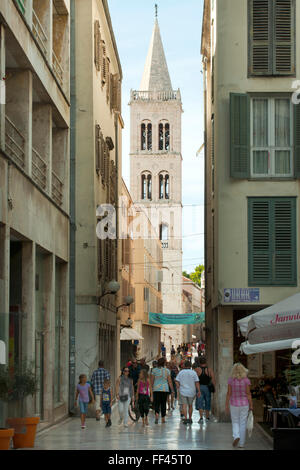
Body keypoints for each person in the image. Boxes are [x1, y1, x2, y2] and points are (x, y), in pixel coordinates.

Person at [225, 363, 253, 449]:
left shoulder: (231, 380)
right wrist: (251, 405)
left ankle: (236, 435)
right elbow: (248, 394)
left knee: (235, 422)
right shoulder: (246, 380)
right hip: (244, 404)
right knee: (243, 423)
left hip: (234, 404)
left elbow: (229, 393)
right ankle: (241, 444)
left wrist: (226, 404)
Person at [175, 360, 201, 425]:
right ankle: (190, 418)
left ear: (184, 366)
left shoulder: (181, 372)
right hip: (192, 391)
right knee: (190, 405)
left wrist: (179, 386)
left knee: (184, 405)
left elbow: (176, 380)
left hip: (183, 391)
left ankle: (186, 418)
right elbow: (197, 382)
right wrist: (199, 391)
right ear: (190, 366)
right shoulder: (193, 373)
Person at [151, 357, 175, 424]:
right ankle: (163, 418)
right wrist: (172, 390)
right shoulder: (167, 371)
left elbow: (152, 381)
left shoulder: (154, 370)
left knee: (157, 403)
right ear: (164, 363)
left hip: (156, 389)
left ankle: (156, 416)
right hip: (165, 389)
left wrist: (151, 389)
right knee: (163, 403)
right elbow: (170, 381)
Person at [195, 357, 216, 422]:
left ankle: (201, 418)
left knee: (200, 402)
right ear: (206, 362)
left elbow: (196, 381)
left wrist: (196, 389)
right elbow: (213, 379)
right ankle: (207, 417)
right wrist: (214, 388)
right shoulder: (209, 370)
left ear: (200, 363)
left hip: (200, 387)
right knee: (208, 401)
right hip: (207, 388)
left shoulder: (197, 370)